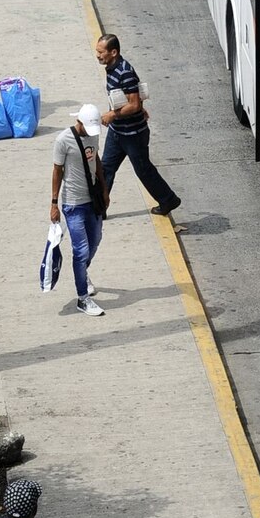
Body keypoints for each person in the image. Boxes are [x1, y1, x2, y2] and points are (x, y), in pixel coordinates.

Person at [95, 33, 181, 216]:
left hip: (133, 135)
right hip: (118, 131)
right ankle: (99, 209)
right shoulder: (112, 68)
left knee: (143, 170)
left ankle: (168, 200)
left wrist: (112, 114)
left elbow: (133, 103)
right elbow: (133, 97)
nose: (98, 55)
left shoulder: (124, 71)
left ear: (114, 52)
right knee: (105, 168)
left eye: (101, 52)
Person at [51, 104, 108, 317]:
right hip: (73, 204)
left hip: (92, 201)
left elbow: (97, 161)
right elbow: (57, 171)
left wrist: (104, 190)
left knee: (95, 240)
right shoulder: (63, 140)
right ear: (80, 122)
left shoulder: (93, 136)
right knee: (81, 250)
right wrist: (54, 203)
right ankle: (83, 298)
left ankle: (82, 273)